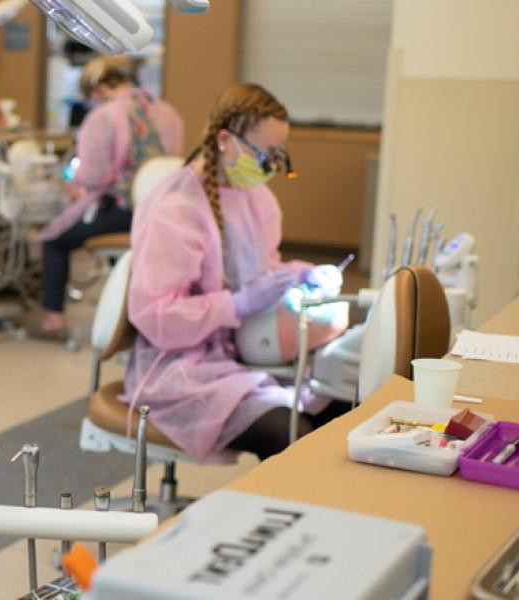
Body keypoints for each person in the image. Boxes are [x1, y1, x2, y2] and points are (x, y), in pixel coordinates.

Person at [121, 83, 347, 462]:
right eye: (265, 154)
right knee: (291, 435)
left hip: (240, 351)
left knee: (338, 408)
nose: (271, 166)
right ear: (225, 140)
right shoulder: (174, 207)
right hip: (180, 367)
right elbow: (155, 314)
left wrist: (299, 274)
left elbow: (259, 268)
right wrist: (237, 304)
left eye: (279, 154)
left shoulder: (255, 197)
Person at [25, 55, 184, 341]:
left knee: (54, 240)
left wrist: (69, 183)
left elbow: (92, 177)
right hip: (162, 213)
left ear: (98, 89)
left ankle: (53, 320)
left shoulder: (104, 117)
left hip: (124, 212)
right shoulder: (168, 112)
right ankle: (127, 313)